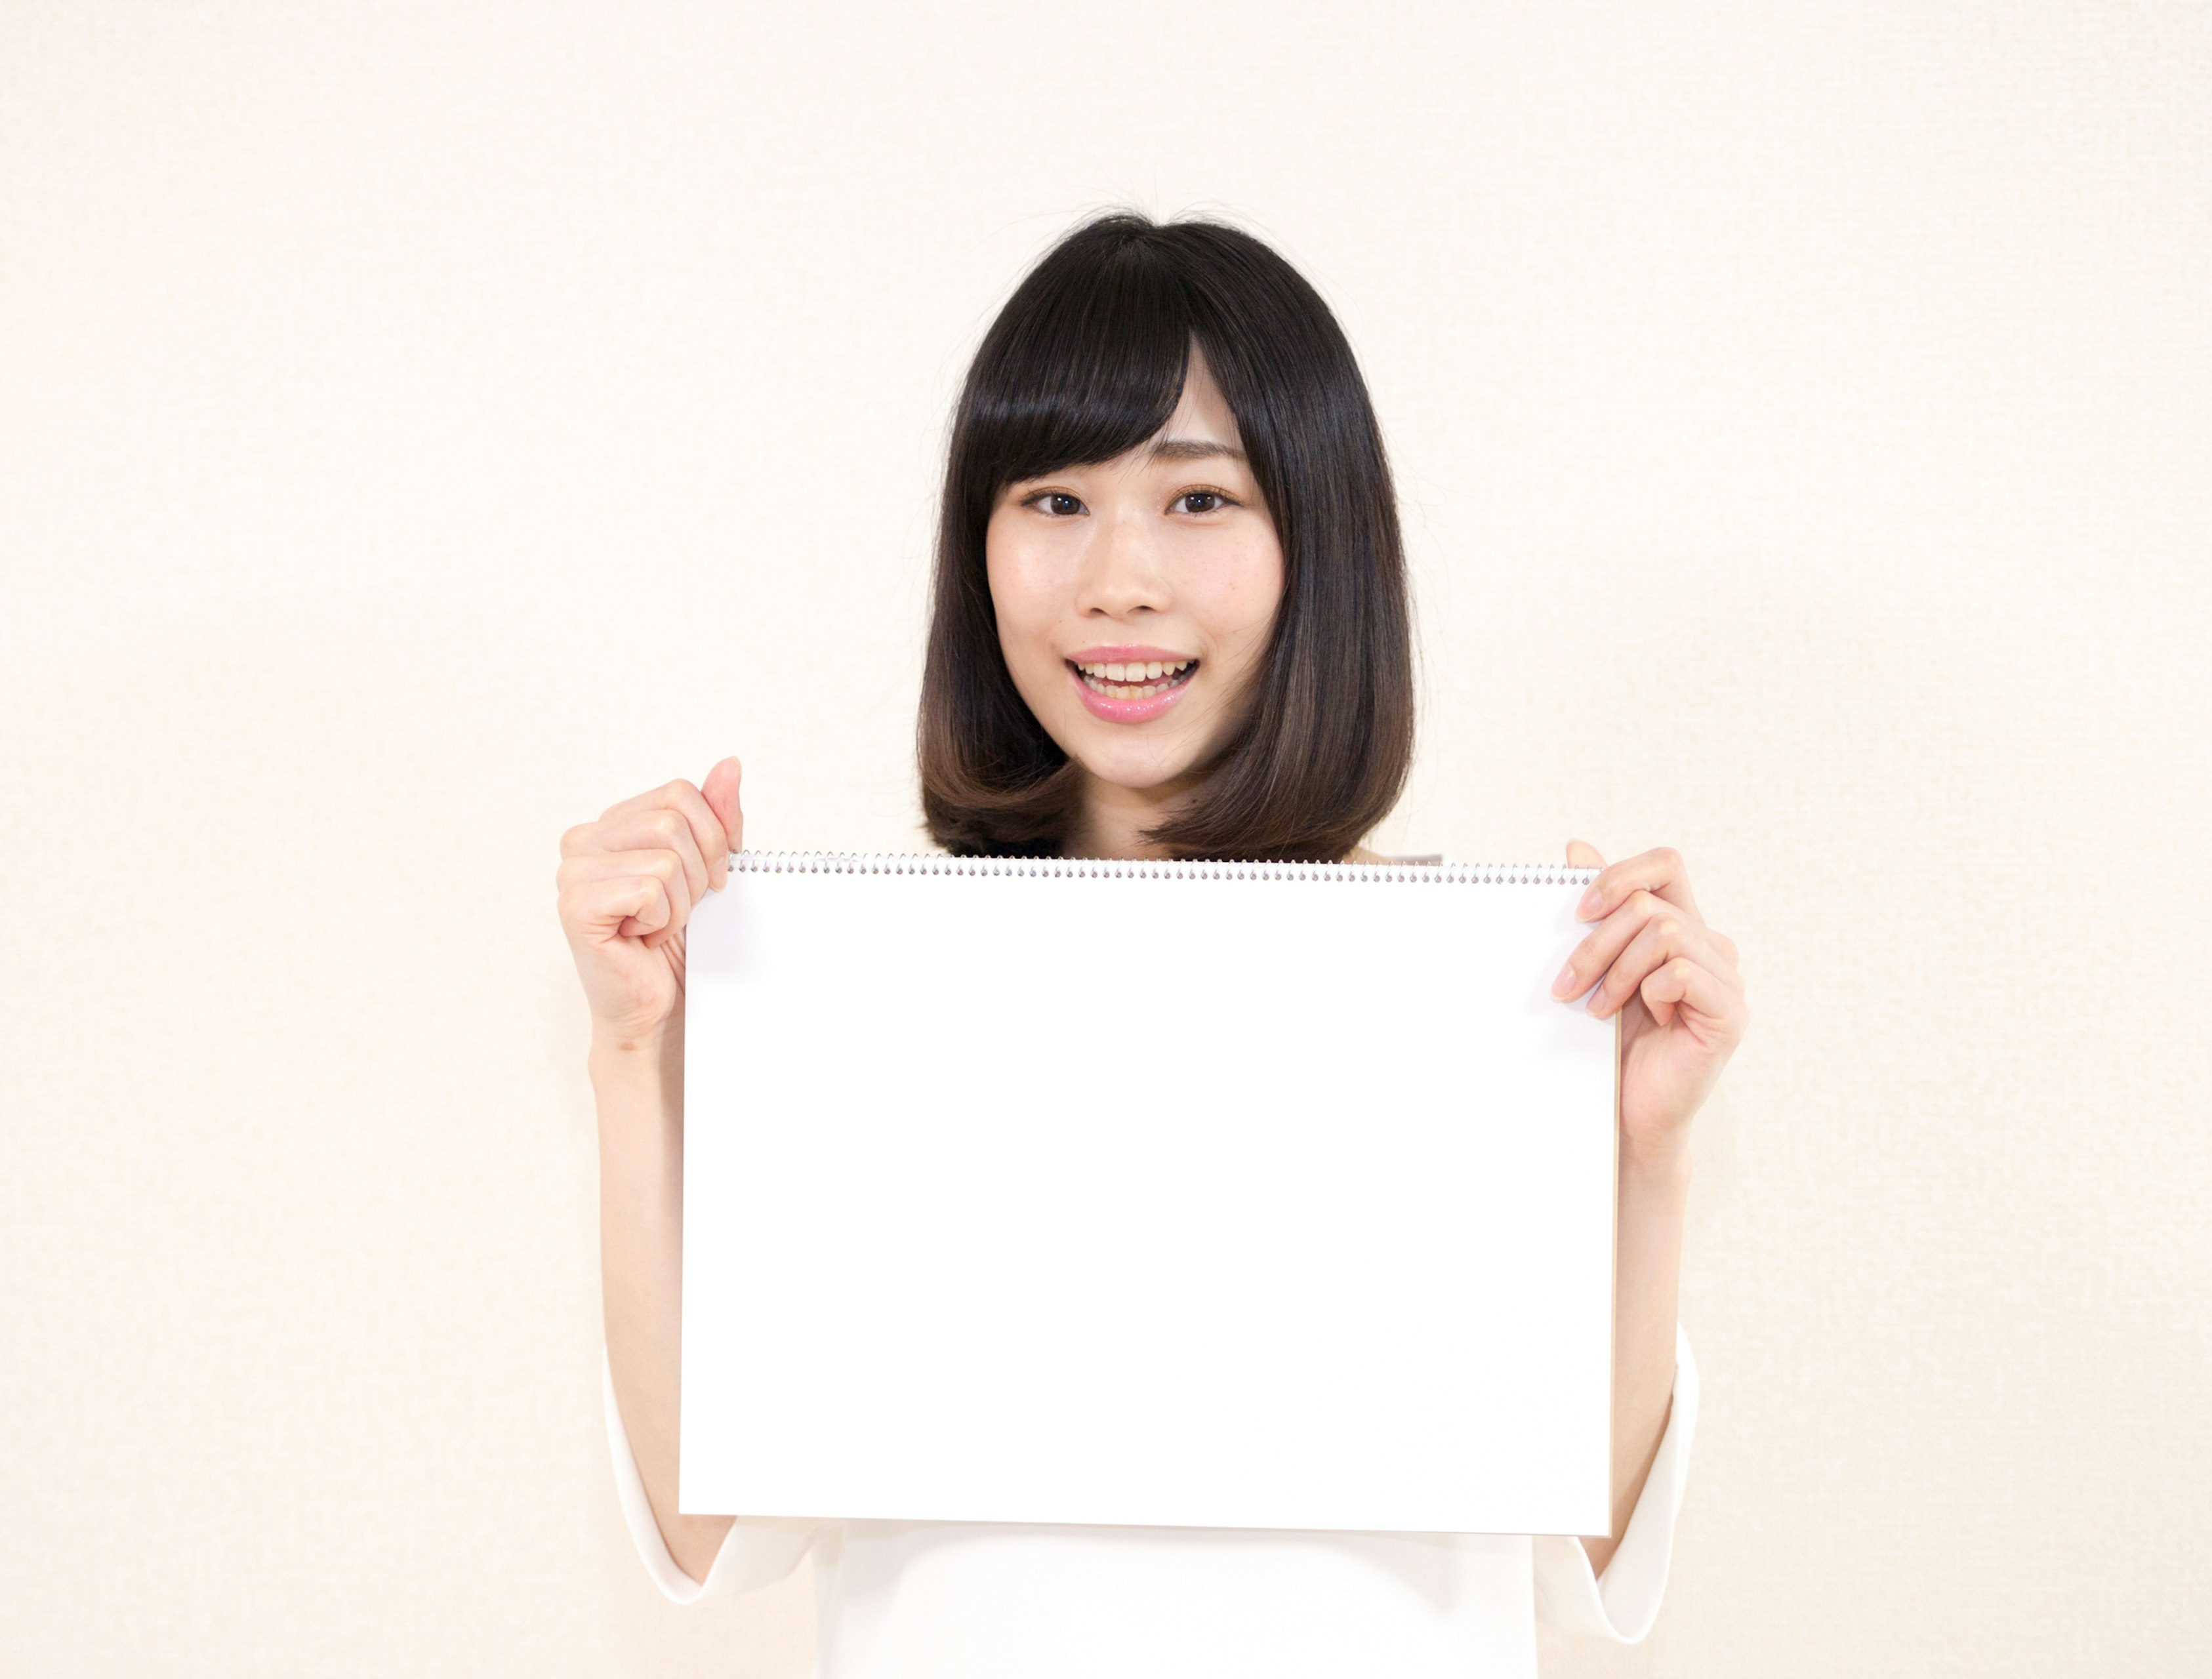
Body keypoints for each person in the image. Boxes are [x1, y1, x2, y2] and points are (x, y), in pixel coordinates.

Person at [554, 212, 1749, 1678]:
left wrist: (1640, 1152)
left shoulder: (1491, 994)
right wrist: (633, 1052)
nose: (1119, 579)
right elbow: (704, 1526)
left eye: (1199, 500)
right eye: (1053, 499)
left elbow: (1588, 1546)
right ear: (976, 551)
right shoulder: (863, 995)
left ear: (1321, 541)